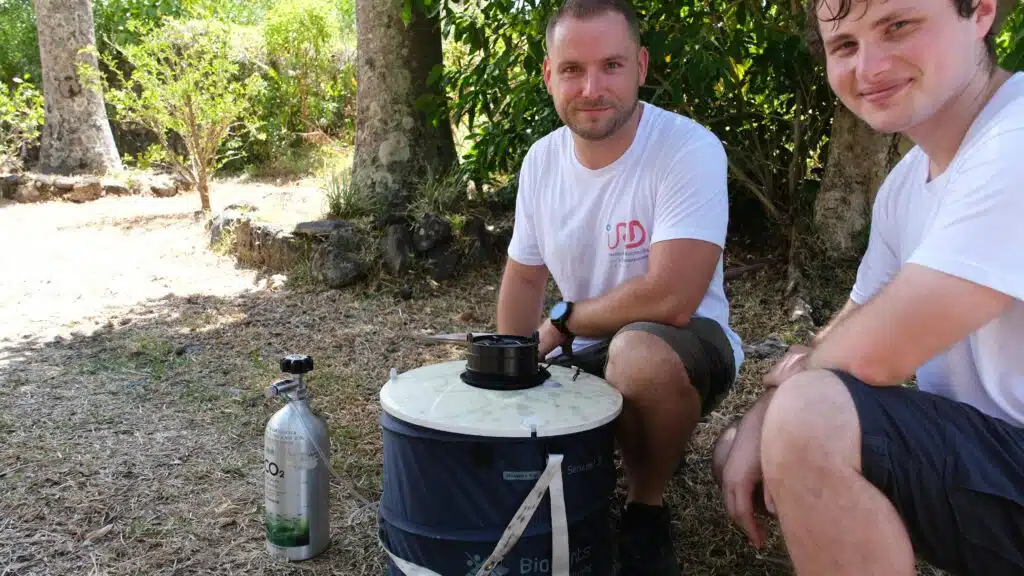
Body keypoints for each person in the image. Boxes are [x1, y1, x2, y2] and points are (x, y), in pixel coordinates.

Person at [712, 0, 1024, 573]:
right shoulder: (906, 185)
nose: (869, 67)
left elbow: (877, 355)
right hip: (997, 455)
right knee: (753, 438)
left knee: (807, 419)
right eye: (845, 46)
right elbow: (852, 327)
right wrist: (760, 415)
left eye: (898, 26)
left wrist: (783, 408)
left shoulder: (1017, 140)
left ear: (980, 12)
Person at [495, 0, 744, 573]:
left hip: (684, 342)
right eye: (573, 69)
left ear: (641, 66)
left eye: (611, 65)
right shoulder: (541, 162)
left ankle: (646, 509)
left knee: (638, 356)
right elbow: (524, 273)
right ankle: (636, 439)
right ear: (548, 75)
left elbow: (673, 298)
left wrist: (561, 324)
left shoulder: (687, 148)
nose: (592, 88)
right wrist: (509, 369)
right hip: (587, 350)